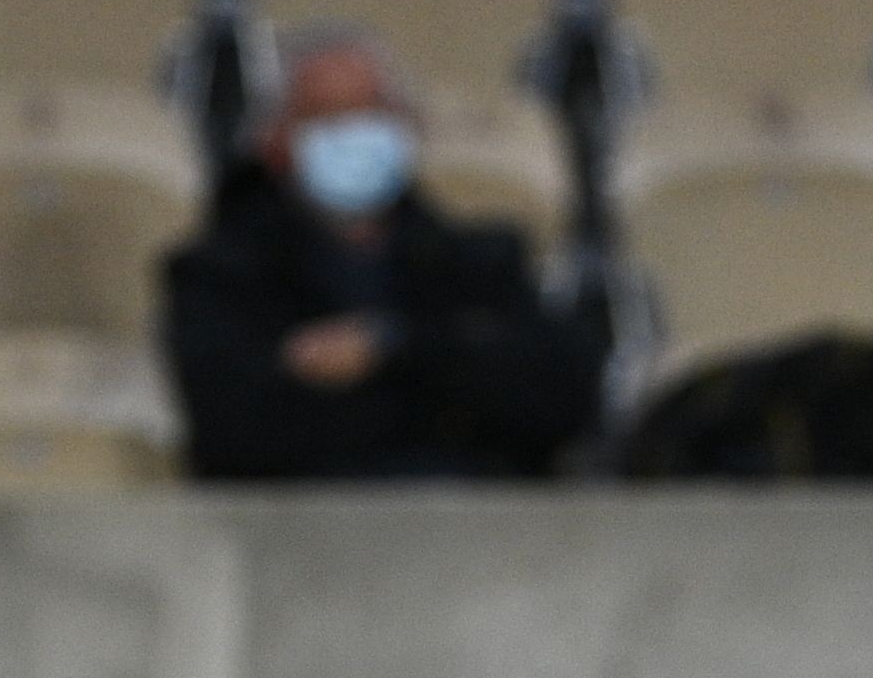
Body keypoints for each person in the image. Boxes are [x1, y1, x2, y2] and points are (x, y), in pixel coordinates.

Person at [158, 24, 605, 481]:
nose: (351, 133)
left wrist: (389, 350)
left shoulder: (477, 262)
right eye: (323, 117)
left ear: (407, 127)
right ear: (275, 141)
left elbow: (563, 399)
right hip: (302, 534)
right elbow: (234, 433)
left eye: (368, 112)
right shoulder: (218, 274)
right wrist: (449, 386)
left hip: (475, 528)